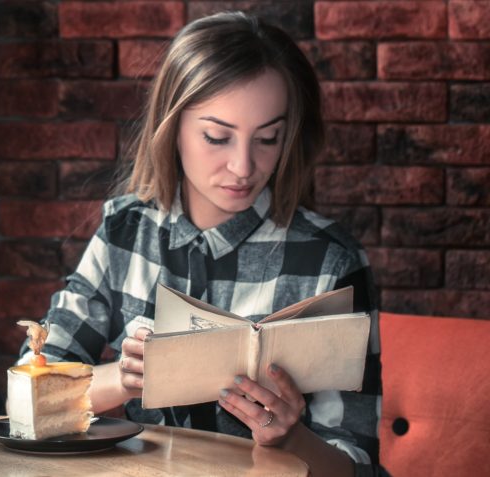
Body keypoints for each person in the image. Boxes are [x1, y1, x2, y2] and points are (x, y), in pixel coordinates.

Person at [19, 11, 381, 477]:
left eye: (268, 138)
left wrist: (291, 436)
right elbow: (33, 389)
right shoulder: (126, 231)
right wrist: (123, 381)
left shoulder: (331, 261)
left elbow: (358, 465)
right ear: (173, 128)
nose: (243, 166)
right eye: (217, 137)